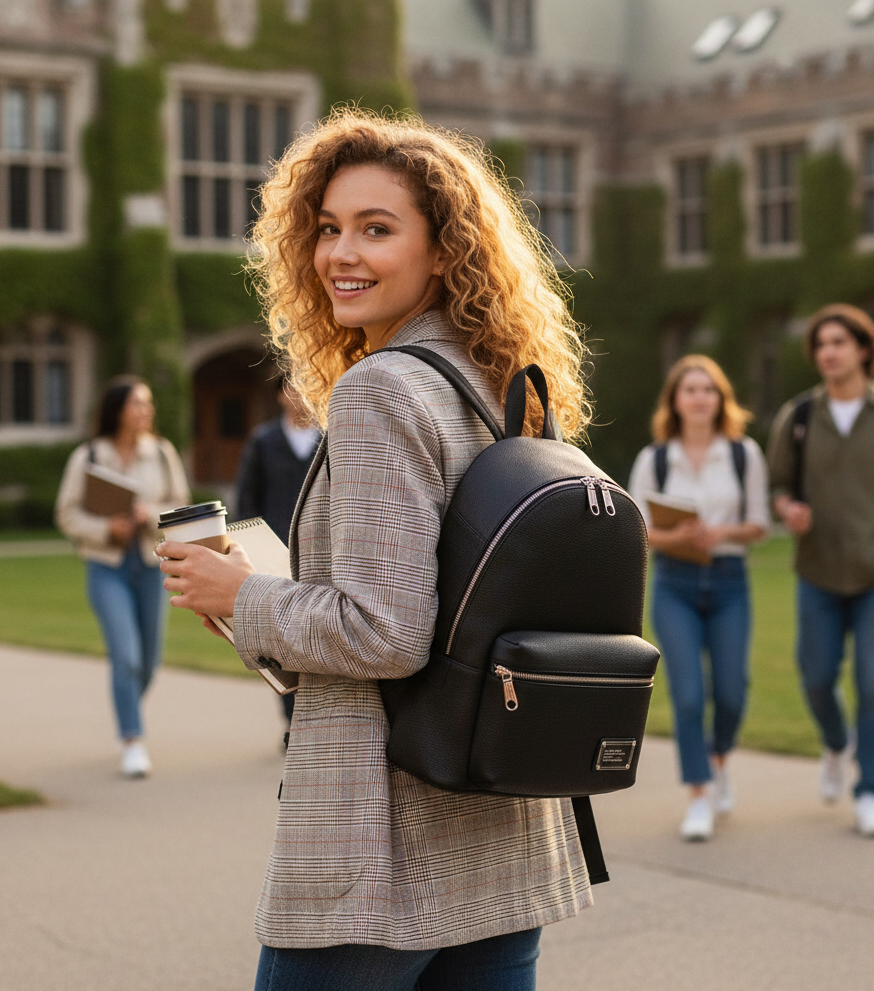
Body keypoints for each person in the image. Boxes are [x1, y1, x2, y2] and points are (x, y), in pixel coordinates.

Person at [157, 109, 593, 990]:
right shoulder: (501, 389)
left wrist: (243, 595)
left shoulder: (381, 390)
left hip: (381, 845)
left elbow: (385, 632)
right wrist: (264, 617)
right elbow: (443, 617)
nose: (338, 254)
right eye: (327, 229)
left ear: (443, 253)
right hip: (501, 834)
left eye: (377, 229)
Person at [629, 355, 769, 841]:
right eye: (690, 389)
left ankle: (719, 756)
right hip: (675, 585)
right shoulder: (656, 459)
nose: (699, 397)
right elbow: (637, 531)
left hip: (730, 580)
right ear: (675, 400)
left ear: (720, 398)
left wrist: (719, 533)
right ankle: (699, 794)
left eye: (708, 389)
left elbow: (759, 524)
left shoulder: (742, 454)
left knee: (731, 692)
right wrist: (679, 538)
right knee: (688, 696)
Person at [767, 303, 874, 838]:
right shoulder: (800, 417)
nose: (828, 352)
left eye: (838, 342)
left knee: (873, 684)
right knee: (816, 679)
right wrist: (787, 508)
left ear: (862, 349)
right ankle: (836, 745)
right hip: (818, 572)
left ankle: (869, 788)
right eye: (821, 345)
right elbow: (776, 486)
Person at [55, 376, 190, 778]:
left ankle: (125, 705)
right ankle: (132, 739)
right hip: (106, 567)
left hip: (150, 565)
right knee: (126, 656)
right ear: (117, 410)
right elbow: (67, 513)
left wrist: (152, 515)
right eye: (137, 404)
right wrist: (104, 530)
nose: (146, 411)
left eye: (148, 404)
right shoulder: (89, 456)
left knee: (149, 661)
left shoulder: (163, 454)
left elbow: (180, 506)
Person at [235, 380, 320, 730]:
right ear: (280, 395)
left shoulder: (329, 438)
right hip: (273, 553)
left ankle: (311, 714)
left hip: (317, 553)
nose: (299, 395)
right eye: (292, 388)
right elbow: (247, 500)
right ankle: (291, 719)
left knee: (313, 633)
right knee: (278, 639)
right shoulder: (263, 442)